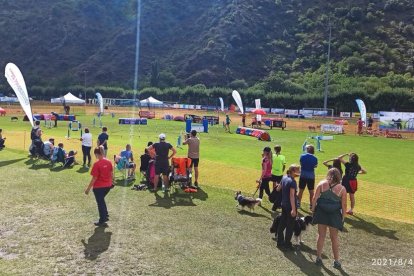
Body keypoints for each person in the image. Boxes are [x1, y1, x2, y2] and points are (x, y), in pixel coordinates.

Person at [312, 168, 346, 269]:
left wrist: (313, 210)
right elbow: (344, 205)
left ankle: (318, 258)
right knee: (334, 238)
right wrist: (343, 217)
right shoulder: (342, 189)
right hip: (334, 216)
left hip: (321, 213)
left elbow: (314, 198)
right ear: (339, 176)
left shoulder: (322, 184)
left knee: (321, 235)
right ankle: (336, 261)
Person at [84, 146, 113, 227]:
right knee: (102, 201)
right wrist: (112, 182)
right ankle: (105, 216)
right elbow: (111, 174)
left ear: (96, 154)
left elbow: (94, 178)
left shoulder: (96, 164)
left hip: (99, 187)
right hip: (107, 186)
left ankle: (102, 219)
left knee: (100, 203)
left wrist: (88, 189)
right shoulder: (109, 162)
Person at [276, 164, 300, 250]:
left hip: (284, 204)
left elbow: (278, 189)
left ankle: (279, 242)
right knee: (290, 226)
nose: (299, 172)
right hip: (290, 206)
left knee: (282, 222)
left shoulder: (284, 177)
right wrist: (294, 209)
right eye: (298, 170)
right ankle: (287, 245)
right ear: (293, 171)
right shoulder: (293, 182)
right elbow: (292, 196)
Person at [297, 145, 318, 209]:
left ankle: (298, 203)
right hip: (311, 176)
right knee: (311, 191)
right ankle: (311, 205)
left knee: (300, 190)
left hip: (303, 175)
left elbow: (301, 163)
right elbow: (315, 166)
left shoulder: (302, 156)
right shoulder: (315, 158)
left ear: (307, 150)